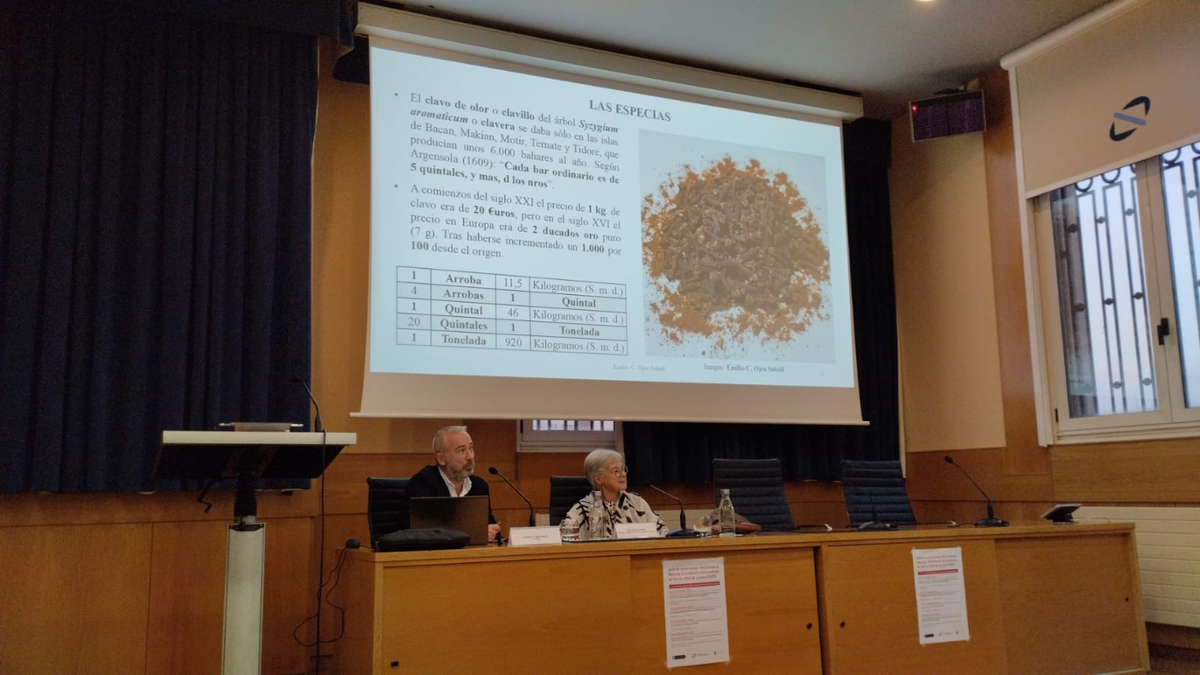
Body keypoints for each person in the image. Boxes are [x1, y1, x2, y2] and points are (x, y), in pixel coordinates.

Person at [406, 425, 501, 542]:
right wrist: (475, 533)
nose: (470, 456)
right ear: (441, 459)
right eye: (461, 451)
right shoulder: (423, 483)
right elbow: (420, 533)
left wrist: (494, 532)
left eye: (471, 449)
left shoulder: (479, 486)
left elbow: (490, 527)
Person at [561, 449, 668, 539]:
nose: (623, 474)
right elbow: (564, 540)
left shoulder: (637, 503)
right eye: (616, 471)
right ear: (598, 479)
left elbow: (663, 532)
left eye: (623, 469)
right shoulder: (583, 509)